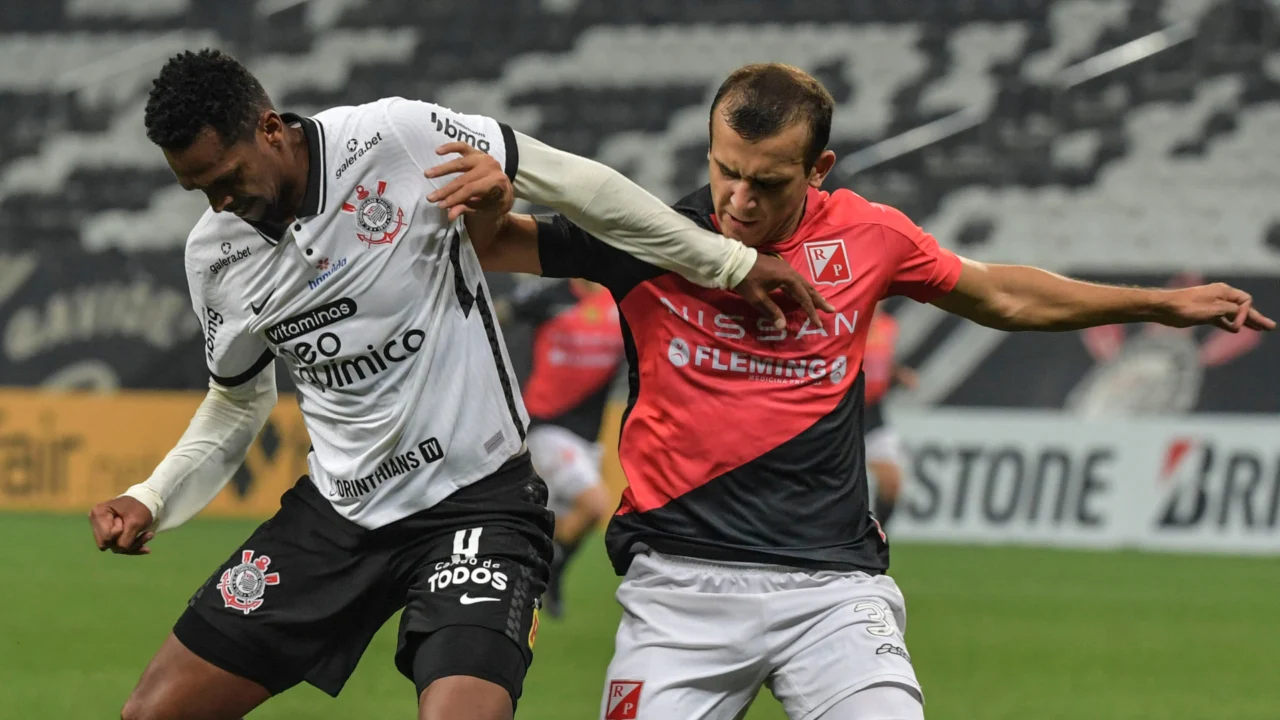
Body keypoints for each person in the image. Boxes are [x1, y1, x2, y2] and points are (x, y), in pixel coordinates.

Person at [445, 62, 1273, 720]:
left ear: (820, 167)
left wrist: (1158, 303)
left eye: (767, 183)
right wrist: (485, 204)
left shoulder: (870, 237)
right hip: (680, 593)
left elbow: (1000, 295)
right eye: (727, 171)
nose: (738, 201)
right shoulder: (648, 237)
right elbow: (495, 246)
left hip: (833, 591)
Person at [85, 50, 831, 720]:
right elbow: (237, 400)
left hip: (476, 503)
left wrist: (724, 262)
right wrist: (153, 496)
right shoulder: (215, 258)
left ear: (271, 129)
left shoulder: (393, 138)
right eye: (197, 191)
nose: (220, 203)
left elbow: (575, 183)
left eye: (227, 179)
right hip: (338, 515)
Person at [498, 277, 621, 618]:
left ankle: (540, 572)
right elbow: (499, 315)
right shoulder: (552, 296)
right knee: (595, 505)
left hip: (588, 436)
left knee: (557, 520)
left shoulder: (620, 300)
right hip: (546, 425)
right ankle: (544, 571)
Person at [862, 303, 918, 532]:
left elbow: (883, 361)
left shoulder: (887, 326)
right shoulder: (848, 322)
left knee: (892, 481)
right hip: (842, 413)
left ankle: (876, 537)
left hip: (874, 413)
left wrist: (898, 374)